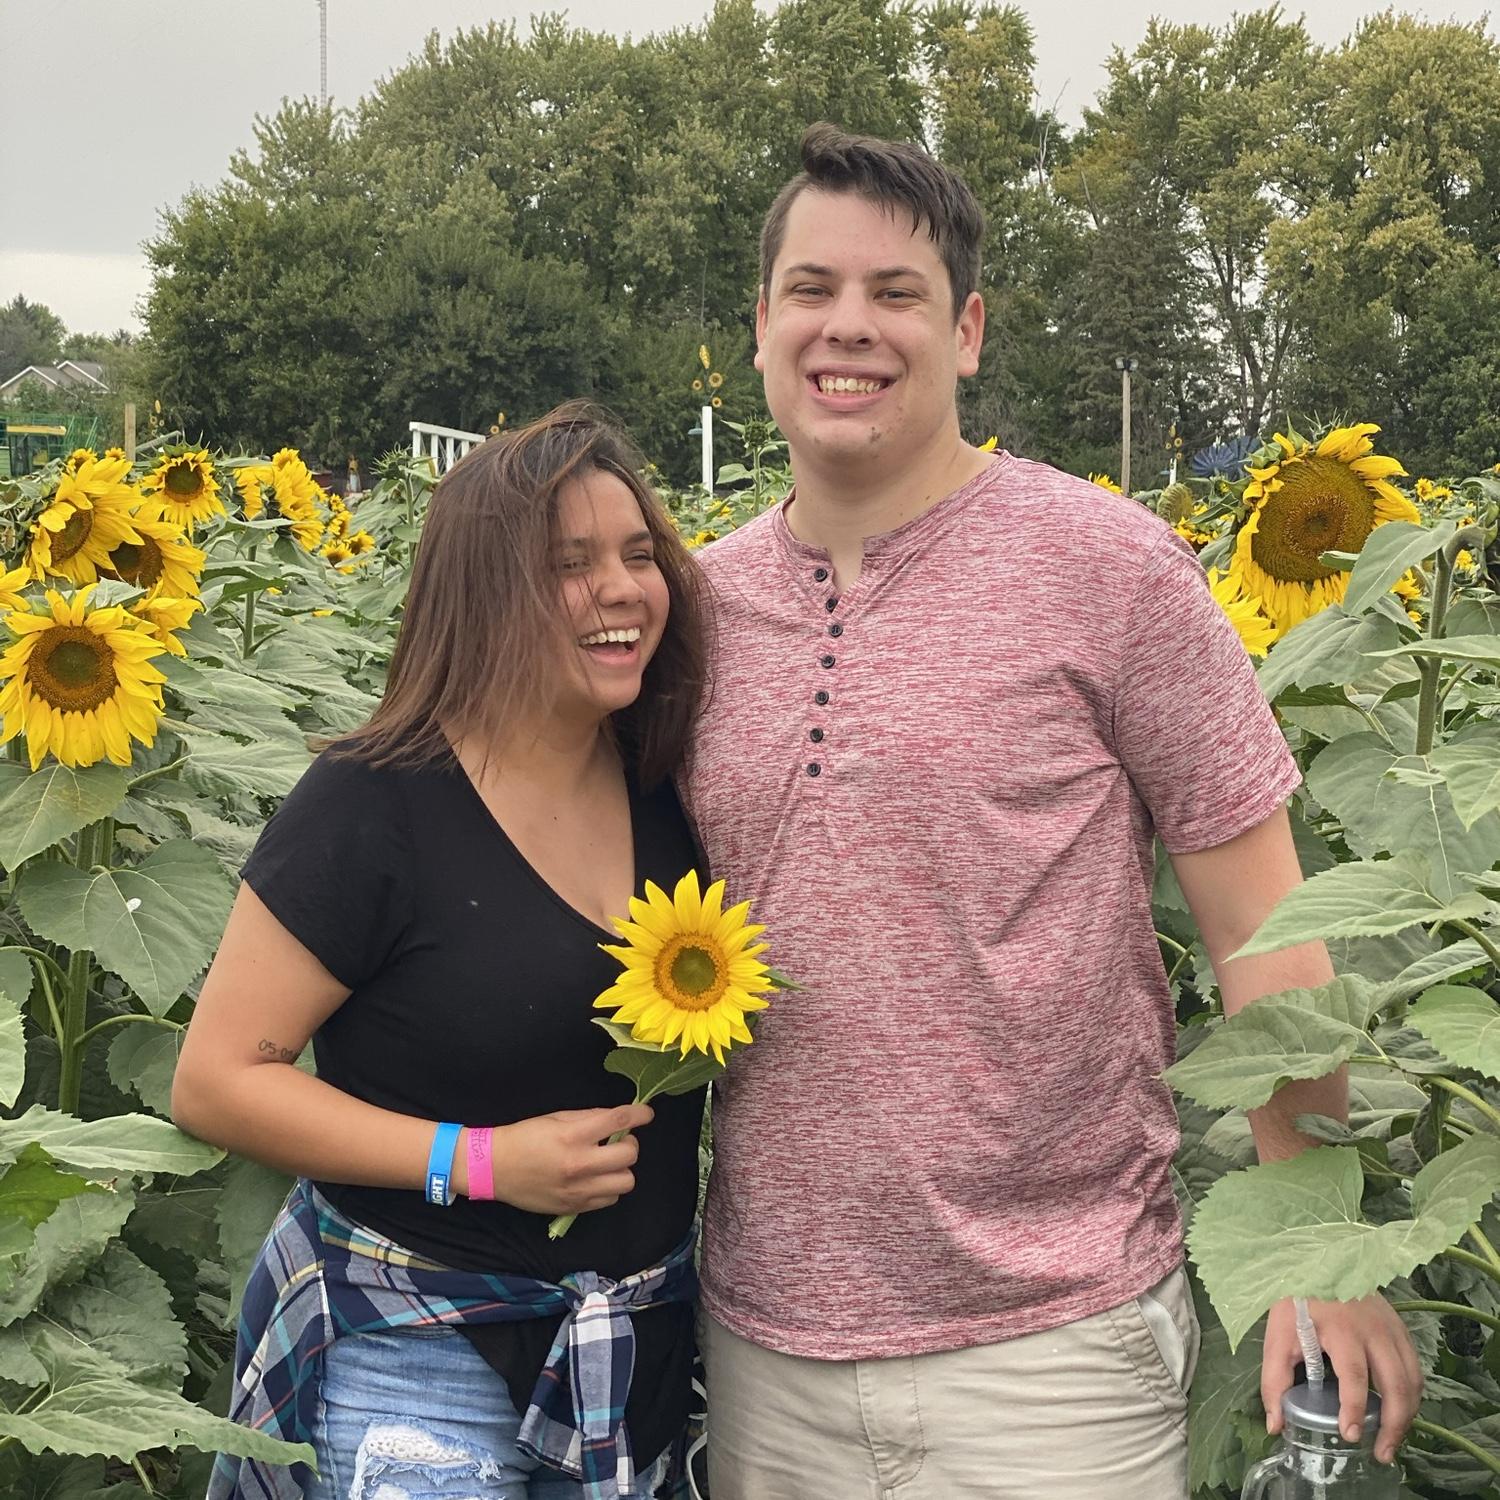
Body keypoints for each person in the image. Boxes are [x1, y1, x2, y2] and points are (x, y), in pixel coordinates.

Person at [680, 123, 1424, 1498]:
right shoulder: (694, 613)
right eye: (812, 289)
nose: (850, 326)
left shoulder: (1107, 568)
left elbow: (1263, 932)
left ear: (966, 331)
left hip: (1055, 1352)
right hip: (764, 1347)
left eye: (897, 293)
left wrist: (1318, 1248)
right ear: (762, 325)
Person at [175, 402, 709, 1500]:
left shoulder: (671, 786)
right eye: (571, 565)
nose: (622, 589)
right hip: (417, 1350)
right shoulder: (377, 801)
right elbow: (217, 1080)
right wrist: (480, 1162)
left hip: (626, 1358)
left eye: (638, 554)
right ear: (483, 592)